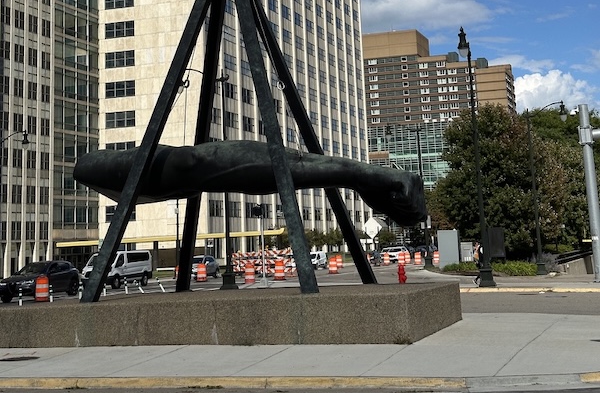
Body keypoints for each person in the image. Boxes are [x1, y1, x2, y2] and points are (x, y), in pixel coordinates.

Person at [74, 140, 427, 227]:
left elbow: (189, 166)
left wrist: (356, 175)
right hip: (101, 171)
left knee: (188, 166)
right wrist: (356, 174)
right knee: (188, 164)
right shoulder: (91, 169)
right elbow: (190, 165)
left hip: (124, 176)